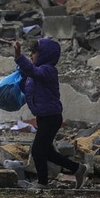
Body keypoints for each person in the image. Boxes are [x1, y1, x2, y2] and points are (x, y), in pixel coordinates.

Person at [13, 38, 88, 189]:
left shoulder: (48, 70)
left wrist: (18, 57)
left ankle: (42, 183)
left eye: (35, 52)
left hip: (51, 117)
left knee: (37, 150)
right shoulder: (36, 74)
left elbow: (34, 72)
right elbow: (27, 84)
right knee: (47, 151)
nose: (32, 55)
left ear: (44, 55)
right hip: (43, 117)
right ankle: (78, 169)